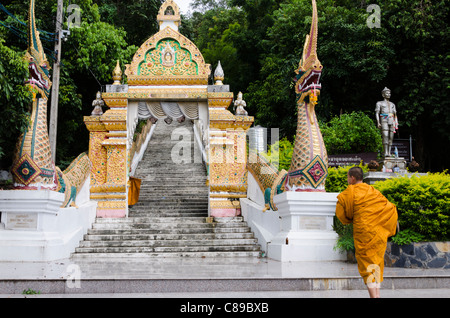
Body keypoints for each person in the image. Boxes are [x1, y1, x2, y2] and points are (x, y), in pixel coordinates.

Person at [335, 167, 398, 298]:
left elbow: (342, 214)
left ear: (352, 178)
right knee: (376, 264)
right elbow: (390, 208)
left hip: (363, 233)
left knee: (367, 267)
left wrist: (350, 218)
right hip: (378, 233)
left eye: (347, 177)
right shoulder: (373, 191)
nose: (347, 180)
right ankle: (377, 295)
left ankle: (373, 297)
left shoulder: (349, 193)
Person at [375, 87, 398, 157]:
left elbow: (395, 115)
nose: (389, 94)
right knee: (385, 135)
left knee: (391, 137)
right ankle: (385, 152)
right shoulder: (379, 103)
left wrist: (396, 123)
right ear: (383, 94)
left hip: (392, 120)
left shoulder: (392, 104)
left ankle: (389, 152)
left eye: (389, 93)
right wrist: (378, 122)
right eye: (387, 93)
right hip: (384, 119)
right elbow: (377, 113)